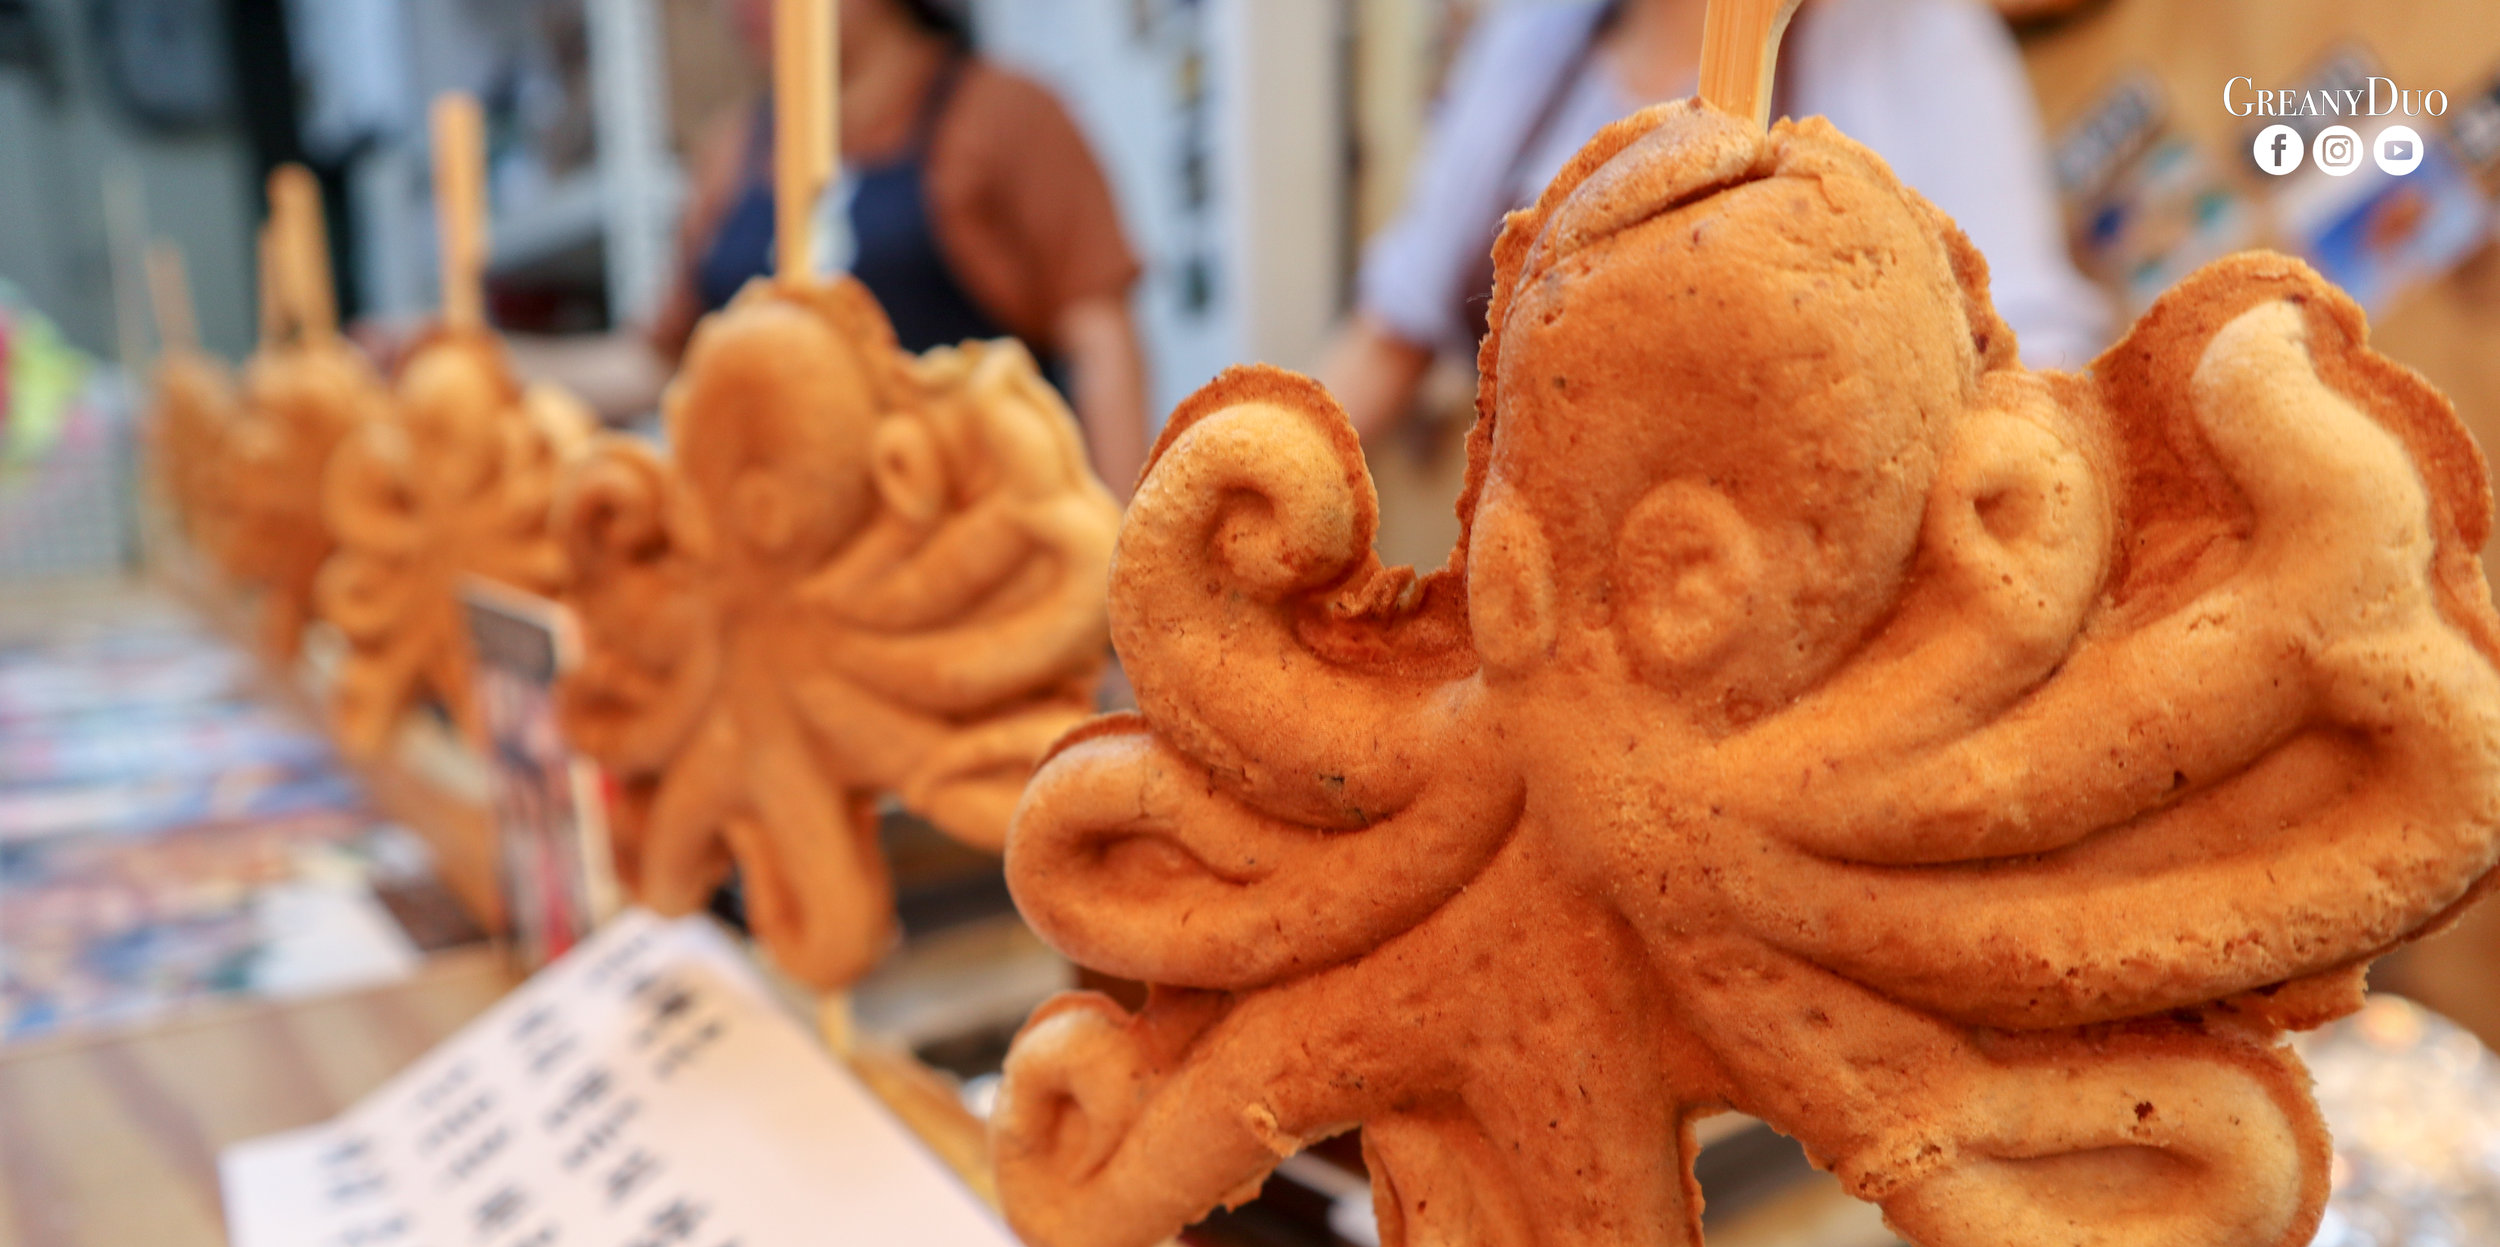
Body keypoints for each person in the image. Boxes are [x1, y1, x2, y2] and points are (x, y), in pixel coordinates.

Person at [1321, 0, 2108, 444]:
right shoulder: (1536, 27)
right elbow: (1393, 330)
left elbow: (2032, 354)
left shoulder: (1907, 28)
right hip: (1540, 632)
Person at [510, 0, 1151, 493]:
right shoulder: (732, 153)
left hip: (982, 564)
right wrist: (497, 359)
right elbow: (660, 365)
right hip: (784, 571)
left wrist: (1116, 579)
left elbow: (1101, 343)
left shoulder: (1003, 115)